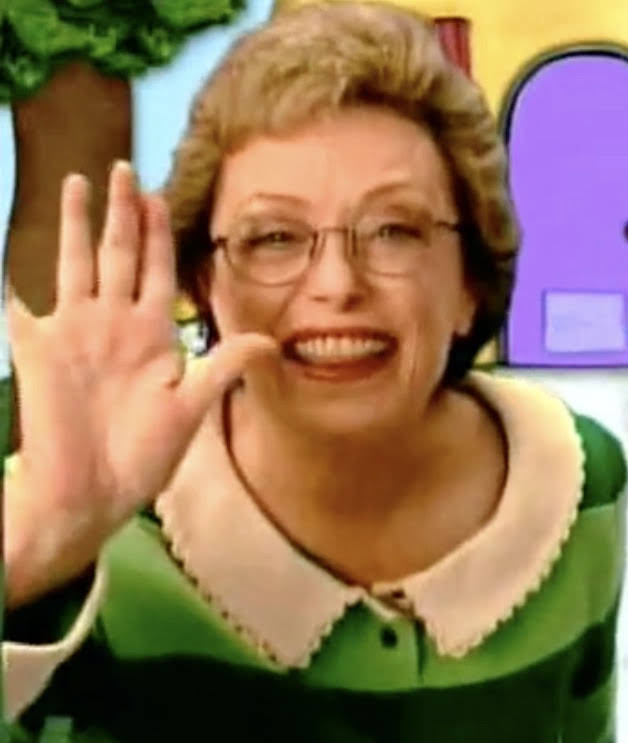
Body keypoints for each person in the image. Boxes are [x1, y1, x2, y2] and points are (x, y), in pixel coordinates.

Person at [3, 3, 626, 742]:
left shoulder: (579, 484)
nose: (336, 285)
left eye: (394, 230)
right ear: (204, 283)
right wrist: (35, 552)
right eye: (273, 237)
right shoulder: (71, 478)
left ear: (469, 281)